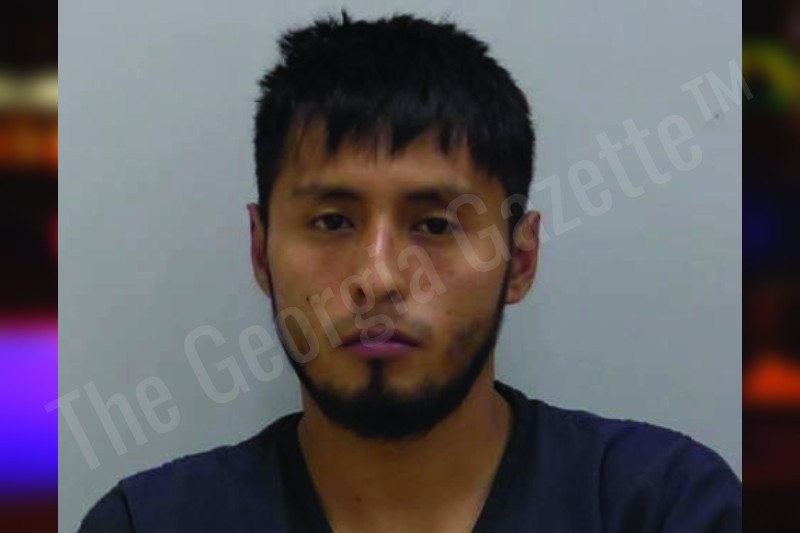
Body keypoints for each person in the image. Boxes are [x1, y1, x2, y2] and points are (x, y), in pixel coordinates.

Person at [79, 12, 741, 532]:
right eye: (332, 221)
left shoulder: (661, 506)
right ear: (260, 252)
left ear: (521, 259)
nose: (379, 277)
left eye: (436, 225)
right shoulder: (151, 523)